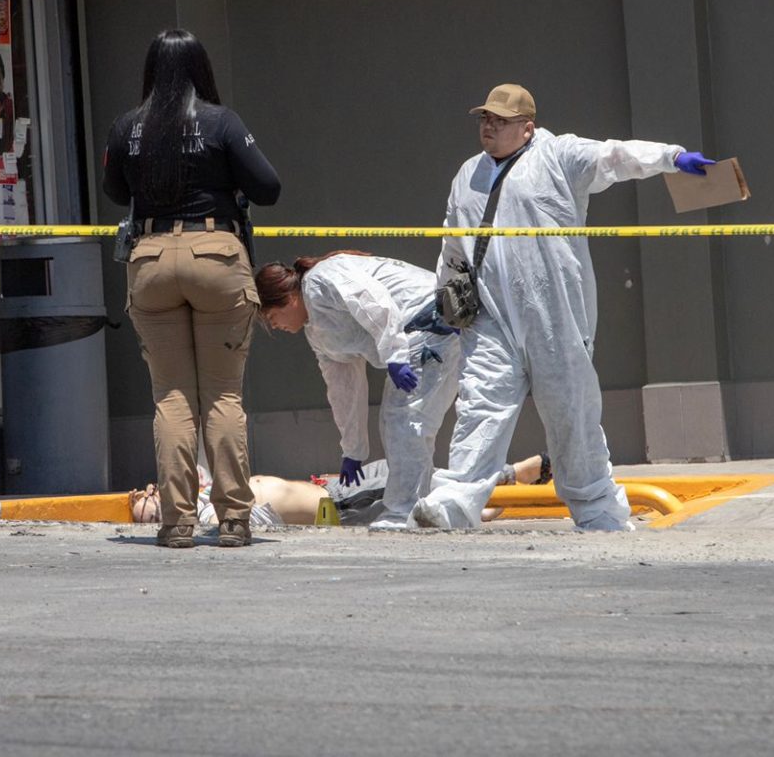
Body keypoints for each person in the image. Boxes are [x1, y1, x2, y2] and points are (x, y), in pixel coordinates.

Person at [411, 83, 715, 531]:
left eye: (499, 120)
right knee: (479, 406)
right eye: (484, 119)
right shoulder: (468, 175)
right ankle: (456, 501)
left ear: (527, 127)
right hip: (491, 317)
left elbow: (614, 156)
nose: (488, 126)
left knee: (571, 412)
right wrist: (445, 299)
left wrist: (671, 157)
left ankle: (597, 509)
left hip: (555, 316)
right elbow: (453, 242)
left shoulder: (559, 156)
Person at [102, 29, 281, 549]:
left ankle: (176, 521)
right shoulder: (221, 121)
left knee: (172, 397)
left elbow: (115, 190)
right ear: (201, 68)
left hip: (151, 259)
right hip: (215, 254)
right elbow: (269, 187)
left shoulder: (128, 127)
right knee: (223, 394)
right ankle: (232, 520)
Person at [253, 251, 463, 529]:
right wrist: (352, 449)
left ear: (289, 299)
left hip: (429, 323)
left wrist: (395, 354)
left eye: (272, 317)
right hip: (421, 334)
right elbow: (343, 386)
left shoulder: (321, 279)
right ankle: (414, 507)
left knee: (404, 421)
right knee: (403, 422)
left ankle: (403, 511)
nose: (275, 326)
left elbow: (374, 303)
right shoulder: (316, 332)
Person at [129, 454, 552, 529]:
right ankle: (509, 474)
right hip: (336, 506)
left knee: (414, 479)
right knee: (411, 479)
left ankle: (490, 492)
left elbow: (193, 469)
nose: (143, 493)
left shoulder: (203, 495)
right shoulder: (206, 518)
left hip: (334, 495)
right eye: (144, 506)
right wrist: (160, 506)